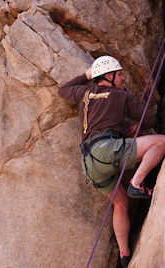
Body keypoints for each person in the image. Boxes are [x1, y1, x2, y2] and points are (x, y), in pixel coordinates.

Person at [58, 55, 165, 267]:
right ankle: (137, 182)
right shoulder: (119, 96)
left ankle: (124, 255)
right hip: (107, 151)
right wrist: (130, 102)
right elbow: (150, 119)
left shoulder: (83, 92)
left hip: (89, 163)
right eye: (120, 75)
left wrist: (86, 75)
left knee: (120, 203)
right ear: (109, 75)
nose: (124, 78)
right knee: (161, 142)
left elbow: (63, 90)